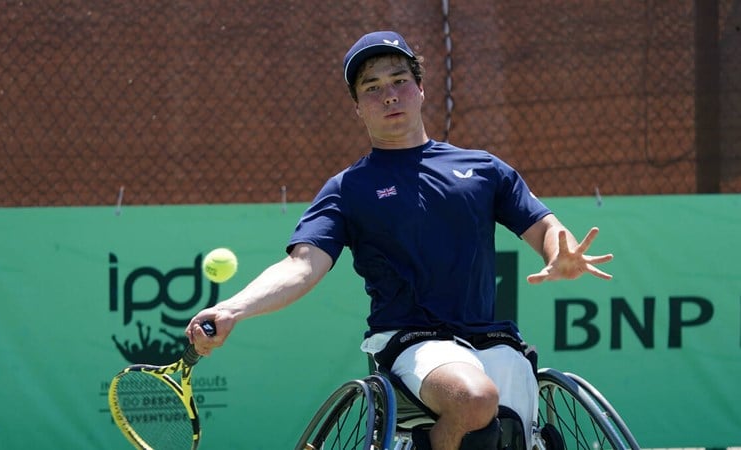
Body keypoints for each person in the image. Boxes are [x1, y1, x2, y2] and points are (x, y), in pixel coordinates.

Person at [185, 30, 613, 450]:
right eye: (372, 88)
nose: (388, 95)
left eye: (399, 81)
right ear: (357, 108)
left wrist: (561, 254)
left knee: (510, 434)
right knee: (476, 399)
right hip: (410, 342)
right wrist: (231, 309)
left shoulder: (482, 169)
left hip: (492, 340)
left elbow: (543, 229)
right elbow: (302, 266)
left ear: (420, 89)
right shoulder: (348, 188)